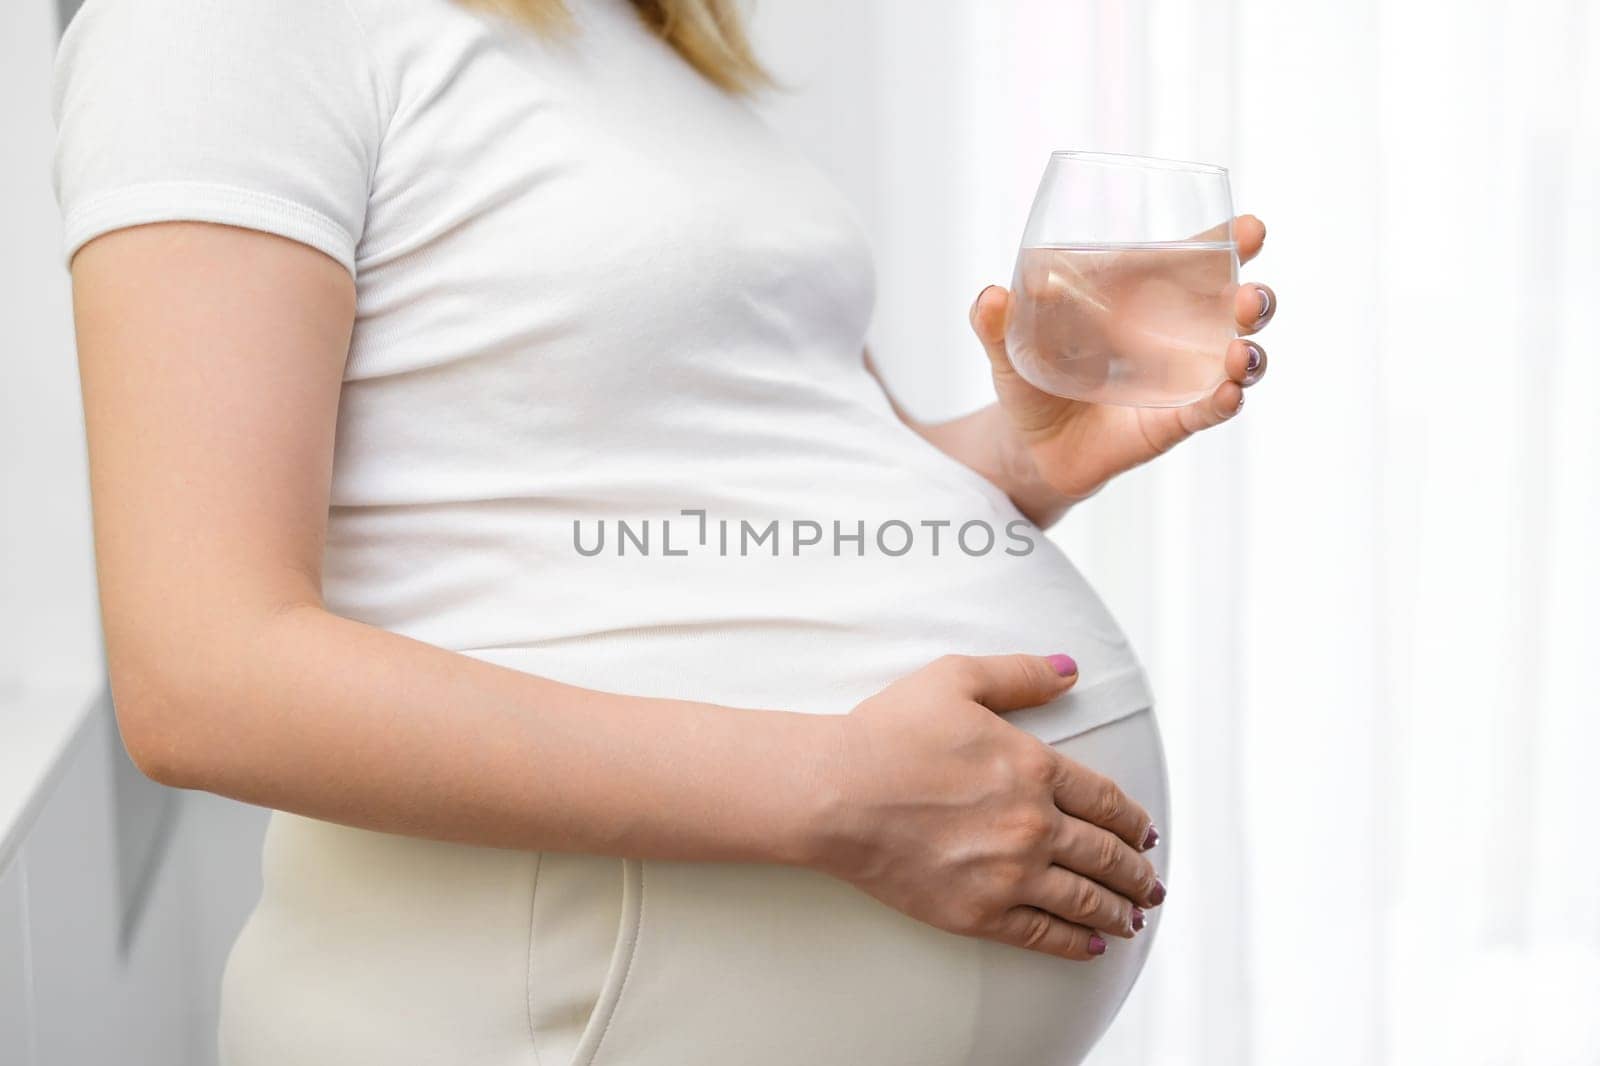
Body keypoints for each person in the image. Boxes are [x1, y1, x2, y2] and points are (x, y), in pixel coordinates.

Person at [53, 0, 1276, 1061]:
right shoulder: (227, 22)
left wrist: (1019, 461)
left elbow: (750, 500)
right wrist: (831, 792)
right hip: (535, 999)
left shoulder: (640, 36)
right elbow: (199, 674)